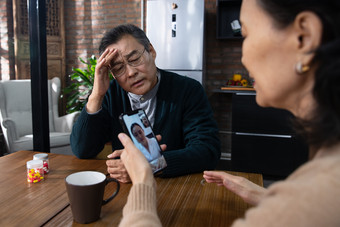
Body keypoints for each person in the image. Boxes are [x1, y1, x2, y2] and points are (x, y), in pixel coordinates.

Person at [117, 0, 340, 226]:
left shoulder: (325, 190)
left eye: (247, 34)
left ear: (304, 37)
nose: (243, 58)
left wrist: (144, 179)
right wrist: (270, 198)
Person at [70, 24, 221, 183]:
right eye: (119, 68)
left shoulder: (188, 90)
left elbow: (207, 150)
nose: (131, 72)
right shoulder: (109, 95)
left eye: (135, 59)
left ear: (151, 51)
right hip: (126, 193)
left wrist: (150, 166)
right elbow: (82, 150)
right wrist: (96, 96)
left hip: (179, 188)